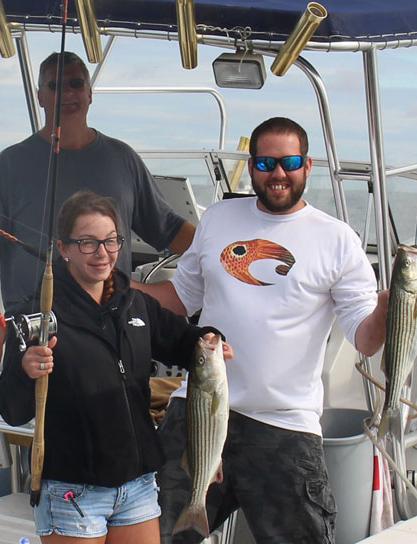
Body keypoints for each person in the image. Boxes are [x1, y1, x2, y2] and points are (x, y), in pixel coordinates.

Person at [135, 117, 389, 543]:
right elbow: (181, 298)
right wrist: (116, 287)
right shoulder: (217, 219)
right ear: (251, 166)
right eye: (266, 162)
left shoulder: (338, 240)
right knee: (148, 534)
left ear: (307, 165)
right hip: (199, 408)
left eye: (289, 161)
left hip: (284, 425)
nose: (278, 174)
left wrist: (387, 307)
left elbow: (365, 338)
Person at [0, 190, 230, 543]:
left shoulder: (134, 303)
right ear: (63, 249)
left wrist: (209, 339)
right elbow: (12, 410)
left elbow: (182, 340)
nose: (102, 254)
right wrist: (24, 370)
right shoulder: (37, 317)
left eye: (110, 241)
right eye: (87, 243)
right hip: (71, 490)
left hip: (136, 486)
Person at [0, 51, 196, 366]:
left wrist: (223, 252)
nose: (67, 93)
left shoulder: (122, 159)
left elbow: (169, 228)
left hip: (109, 327)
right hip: (37, 337)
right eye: (55, 85)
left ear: (89, 93)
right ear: (40, 97)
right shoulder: (10, 164)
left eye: (76, 83)